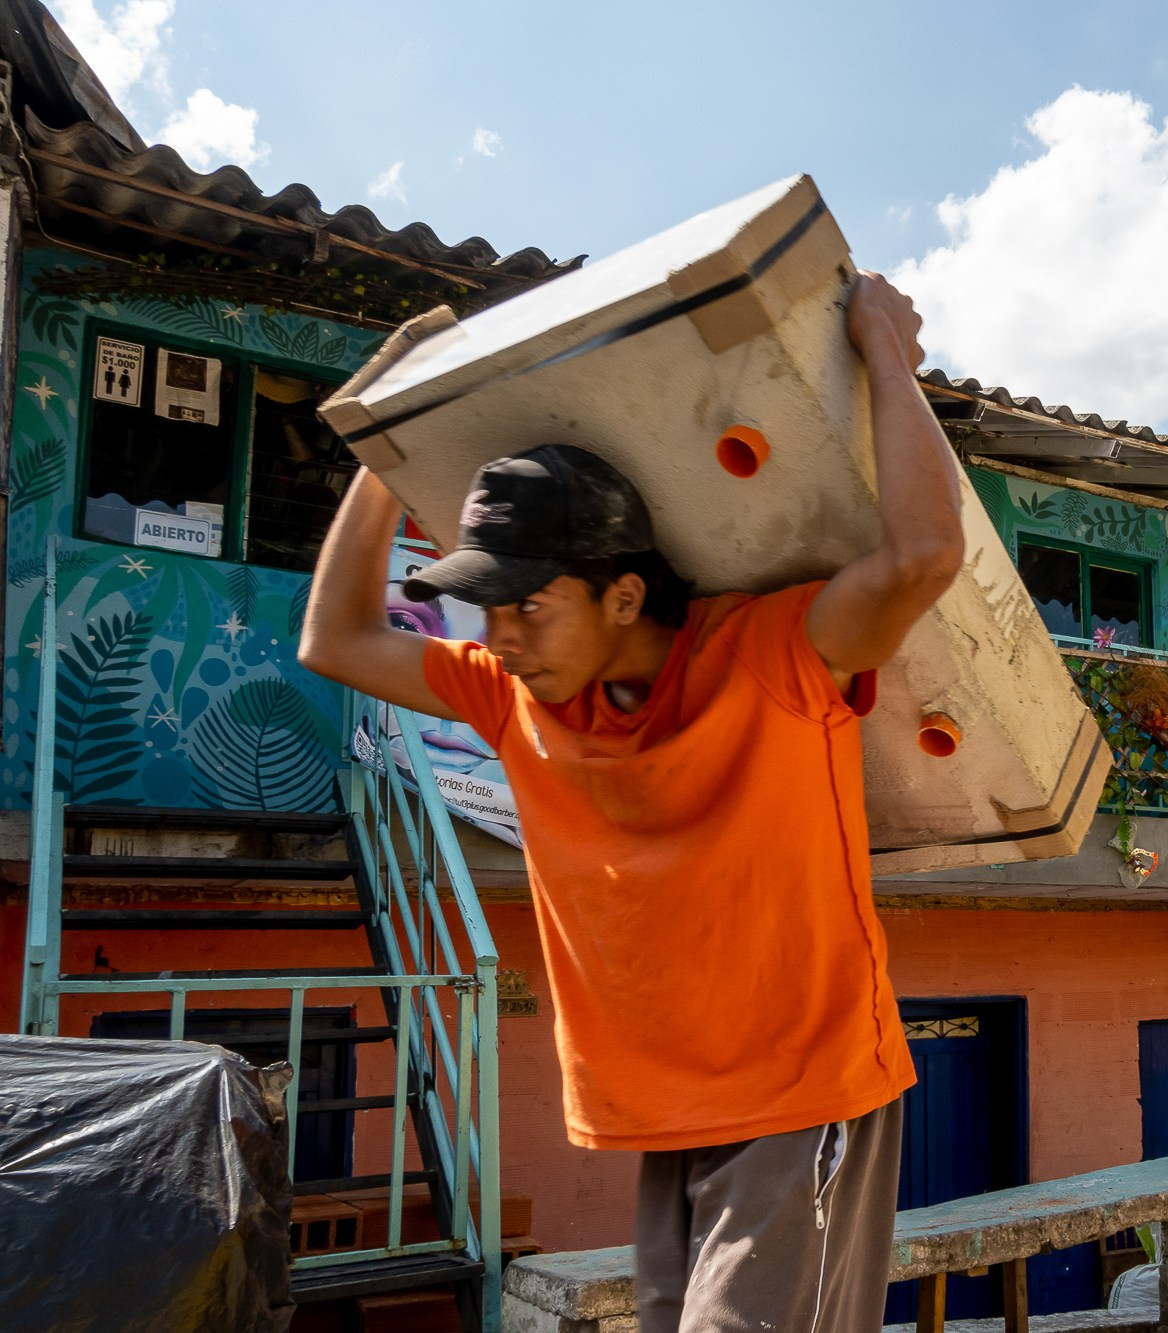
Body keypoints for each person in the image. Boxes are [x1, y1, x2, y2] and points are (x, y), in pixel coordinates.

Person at [299, 272, 964, 1333]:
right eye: (488, 606)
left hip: (806, 1097)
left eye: (526, 604)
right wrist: (385, 444)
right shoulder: (511, 697)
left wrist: (884, 346)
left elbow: (924, 554)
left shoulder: (771, 656)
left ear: (621, 593)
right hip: (665, 1116)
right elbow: (332, 639)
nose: (500, 632)